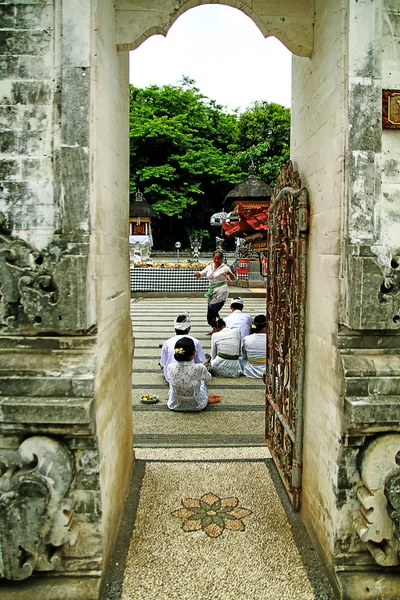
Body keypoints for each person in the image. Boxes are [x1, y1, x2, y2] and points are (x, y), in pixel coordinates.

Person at [194, 250, 235, 334]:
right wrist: (198, 273)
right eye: (215, 258)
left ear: (221, 259)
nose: (216, 260)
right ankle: (217, 327)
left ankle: (219, 326)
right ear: (213, 258)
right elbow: (203, 273)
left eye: (218, 259)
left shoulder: (225, 268)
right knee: (211, 311)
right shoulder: (210, 266)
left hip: (221, 291)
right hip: (212, 291)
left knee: (212, 309)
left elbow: (233, 279)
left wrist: (230, 274)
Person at [166, 337, 212, 411]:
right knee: (203, 382)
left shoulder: (170, 367)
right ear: (194, 352)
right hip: (197, 405)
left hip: (174, 405)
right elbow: (208, 378)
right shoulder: (199, 367)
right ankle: (205, 399)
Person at [160, 312, 205, 382]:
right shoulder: (195, 342)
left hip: (171, 378)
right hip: (192, 378)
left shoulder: (167, 343)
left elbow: (163, 363)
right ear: (188, 329)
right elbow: (200, 361)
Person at [241, 315, 267, 379]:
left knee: (241, 360)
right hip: (267, 369)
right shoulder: (271, 339)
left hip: (251, 371)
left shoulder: (247, 339)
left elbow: (243, 355)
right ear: (264, 328)